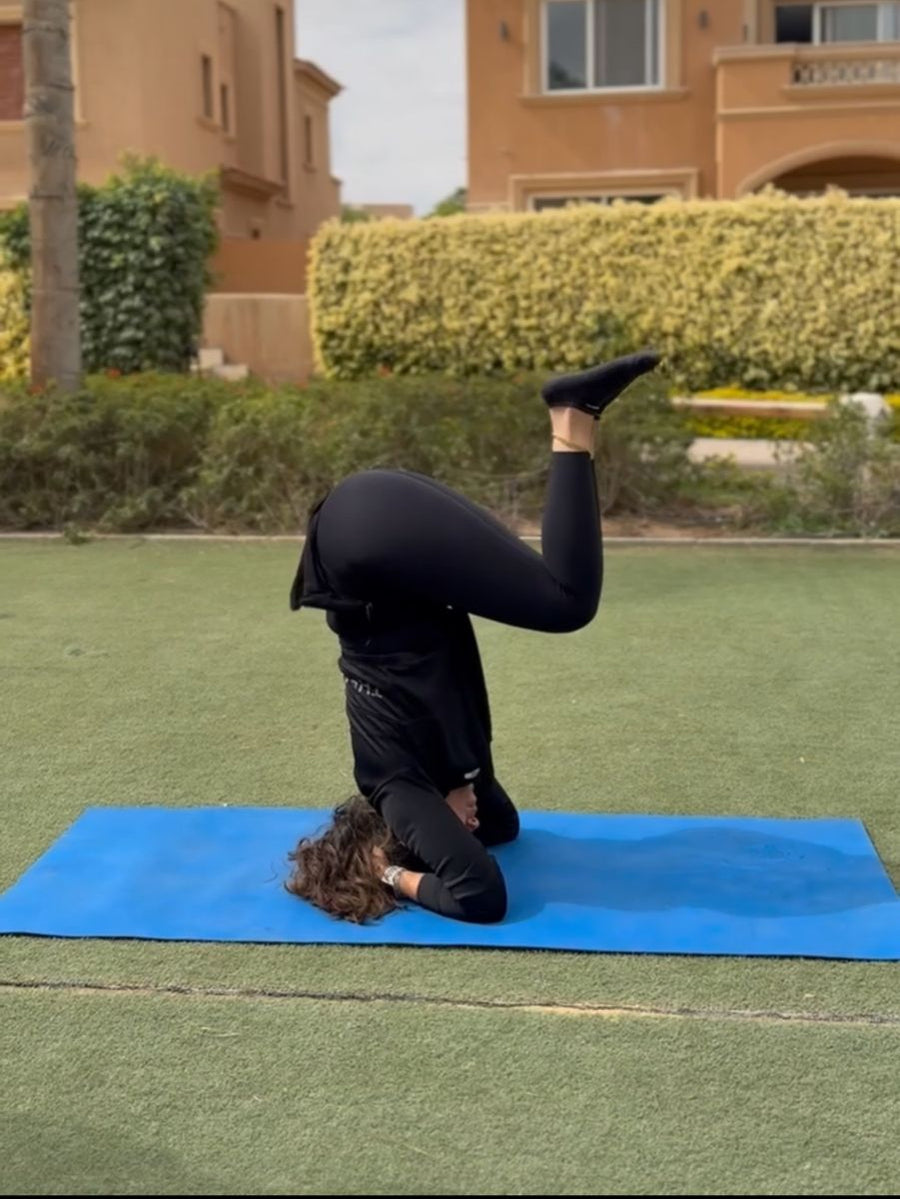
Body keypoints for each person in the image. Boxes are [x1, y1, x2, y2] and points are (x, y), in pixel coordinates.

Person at [285, 351, 662, 924]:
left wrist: (385, 872)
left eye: (452, 831)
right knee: (503, 822)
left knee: (567, 603)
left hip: (369, 543)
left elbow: (480, 896)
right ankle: (573, 414)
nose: (471, 825)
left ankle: (571, 415)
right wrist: (464, 800)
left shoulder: (399, 787)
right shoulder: (457, 770)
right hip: (377, 523)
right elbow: (503, 826)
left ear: (408, 831)